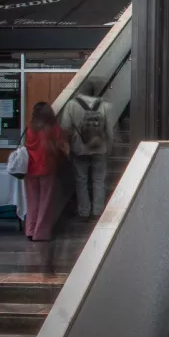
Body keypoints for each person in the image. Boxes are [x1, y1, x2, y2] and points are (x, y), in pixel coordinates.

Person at [60, 80, 112, 219]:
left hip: (79, 149)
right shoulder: (105, 106)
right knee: (99, 180)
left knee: (81, 181)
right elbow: (109, 130)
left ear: (81, 91)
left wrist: (70, 145)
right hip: (100, 148)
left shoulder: (71, 105)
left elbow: (65, 128)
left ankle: (84, 212)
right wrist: (109, 146)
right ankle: (98, 211)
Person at [24, 102, 68, 241]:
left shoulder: (30, 128)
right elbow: (61, 145)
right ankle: (40, 233)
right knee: (45, 202)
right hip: (47, 168)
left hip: (30, 168)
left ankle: (30, 230)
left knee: (32, 201)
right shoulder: (53, 128)